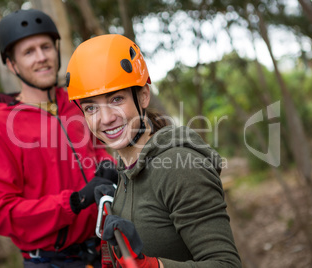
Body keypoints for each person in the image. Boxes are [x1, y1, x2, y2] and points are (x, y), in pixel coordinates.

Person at [65, 34, 241, 267]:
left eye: (116, 99)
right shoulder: (127, 168)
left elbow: (225, 264)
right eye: (91, 108)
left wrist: (152, 266)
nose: (105, 119)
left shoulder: (179, 166)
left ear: (143, 96)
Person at [0, 9, 118, 268]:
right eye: (29, 52)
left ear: (56, 49)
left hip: (105, 248)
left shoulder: (77, 102)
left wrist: (108, 164)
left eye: (46, 47)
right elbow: (0, 213)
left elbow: (98, 151)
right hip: (52, 261)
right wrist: (74, 202)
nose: (42, 58)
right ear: (12, 64)